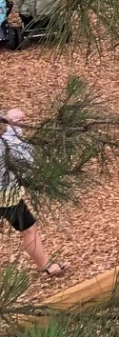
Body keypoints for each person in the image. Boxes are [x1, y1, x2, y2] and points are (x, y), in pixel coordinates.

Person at [0, 108, 62, 278]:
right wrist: (15, 130)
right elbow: (27, 161)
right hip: (7, 197)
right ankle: (46, 266)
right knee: (29, 228)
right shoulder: (9, 145)